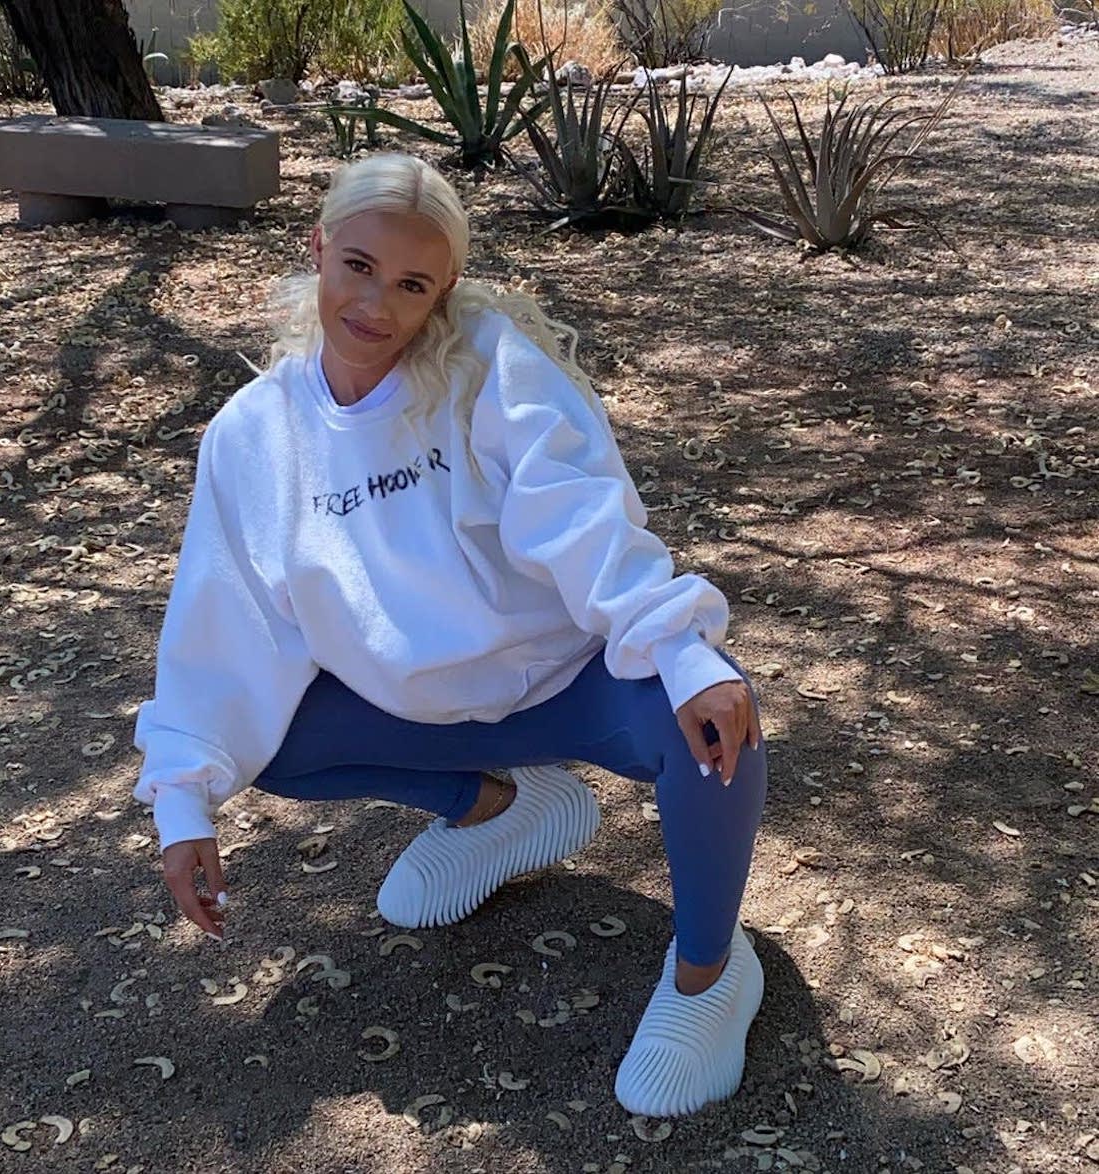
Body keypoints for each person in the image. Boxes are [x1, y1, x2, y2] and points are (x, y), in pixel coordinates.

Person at [132, 151, 768, 1119]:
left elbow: (577, 511)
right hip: (426, 710)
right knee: (270, 744)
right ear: (317, 248)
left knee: (718, 723)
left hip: (566, 681)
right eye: (357, 266)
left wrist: (677, 648)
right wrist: (183, 803)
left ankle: (710, 973)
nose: (375, 304)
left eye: (411, 284)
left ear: (445, 289)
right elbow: (224, 618)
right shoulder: (251, 435)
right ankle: (499, 809)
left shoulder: (487, 367)